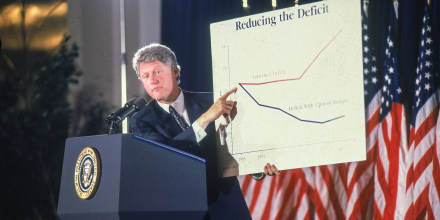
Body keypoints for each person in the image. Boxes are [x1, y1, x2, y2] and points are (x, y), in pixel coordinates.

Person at [130, 43, 279, 219]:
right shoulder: (140, 121)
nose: (152, 80)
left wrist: (257, 165)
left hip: (228, 208)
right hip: (183, 211)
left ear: (175, 72)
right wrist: (205, 118)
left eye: (158, 72)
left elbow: (237, 145)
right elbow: (167, 156)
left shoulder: (213, 101)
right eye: (145, 76)